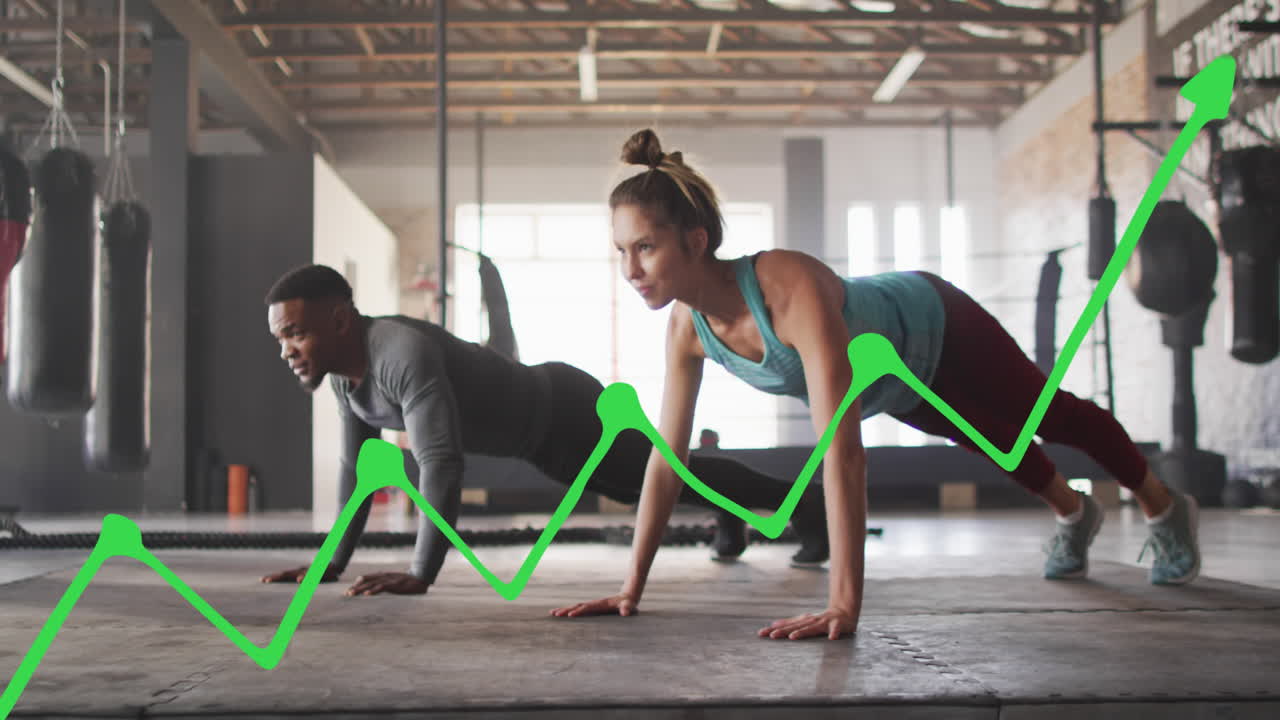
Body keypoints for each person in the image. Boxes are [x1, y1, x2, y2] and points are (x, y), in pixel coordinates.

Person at [550, 129, 1201, 641]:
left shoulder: (787, 288)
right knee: (988, 439)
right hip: (893, 381)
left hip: (937, 325)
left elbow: (843, 453)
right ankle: (1071, 510)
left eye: (646, 248)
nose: (631, 270)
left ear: (694, 241)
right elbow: (669, 465)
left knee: (1044, 416)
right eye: (621, 252)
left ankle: (1163, 507)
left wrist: (843, 602)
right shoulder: (689, 329)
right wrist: (631, 588)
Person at [260, 264, 829, 597]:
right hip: (539, 439)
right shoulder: (344, 379)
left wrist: (419, 573)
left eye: (295, 334)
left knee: (656, 478)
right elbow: (354, 474)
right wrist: (330, 565)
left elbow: (439, 463)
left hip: (565, 410)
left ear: (337, 320)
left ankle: (808, 505)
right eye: (281, 340)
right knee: (657, 480)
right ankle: (734, 512)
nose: (287, 352)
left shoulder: (400, 352)